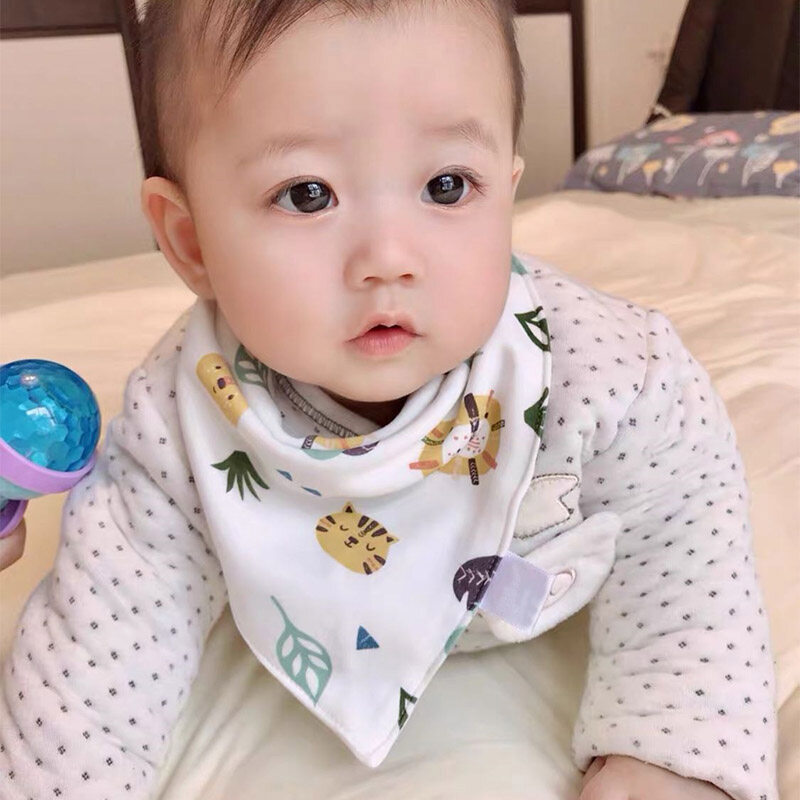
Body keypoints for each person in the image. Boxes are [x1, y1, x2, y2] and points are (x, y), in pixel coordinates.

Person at [0, 1, 777, 798]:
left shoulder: (609, 373)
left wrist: (671, 745)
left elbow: (686, 534)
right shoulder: (179, 419)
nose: (388, 258)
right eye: (307, 194)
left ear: (506, 194)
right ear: (190, 241)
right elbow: (96, 651)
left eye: (447, 186)